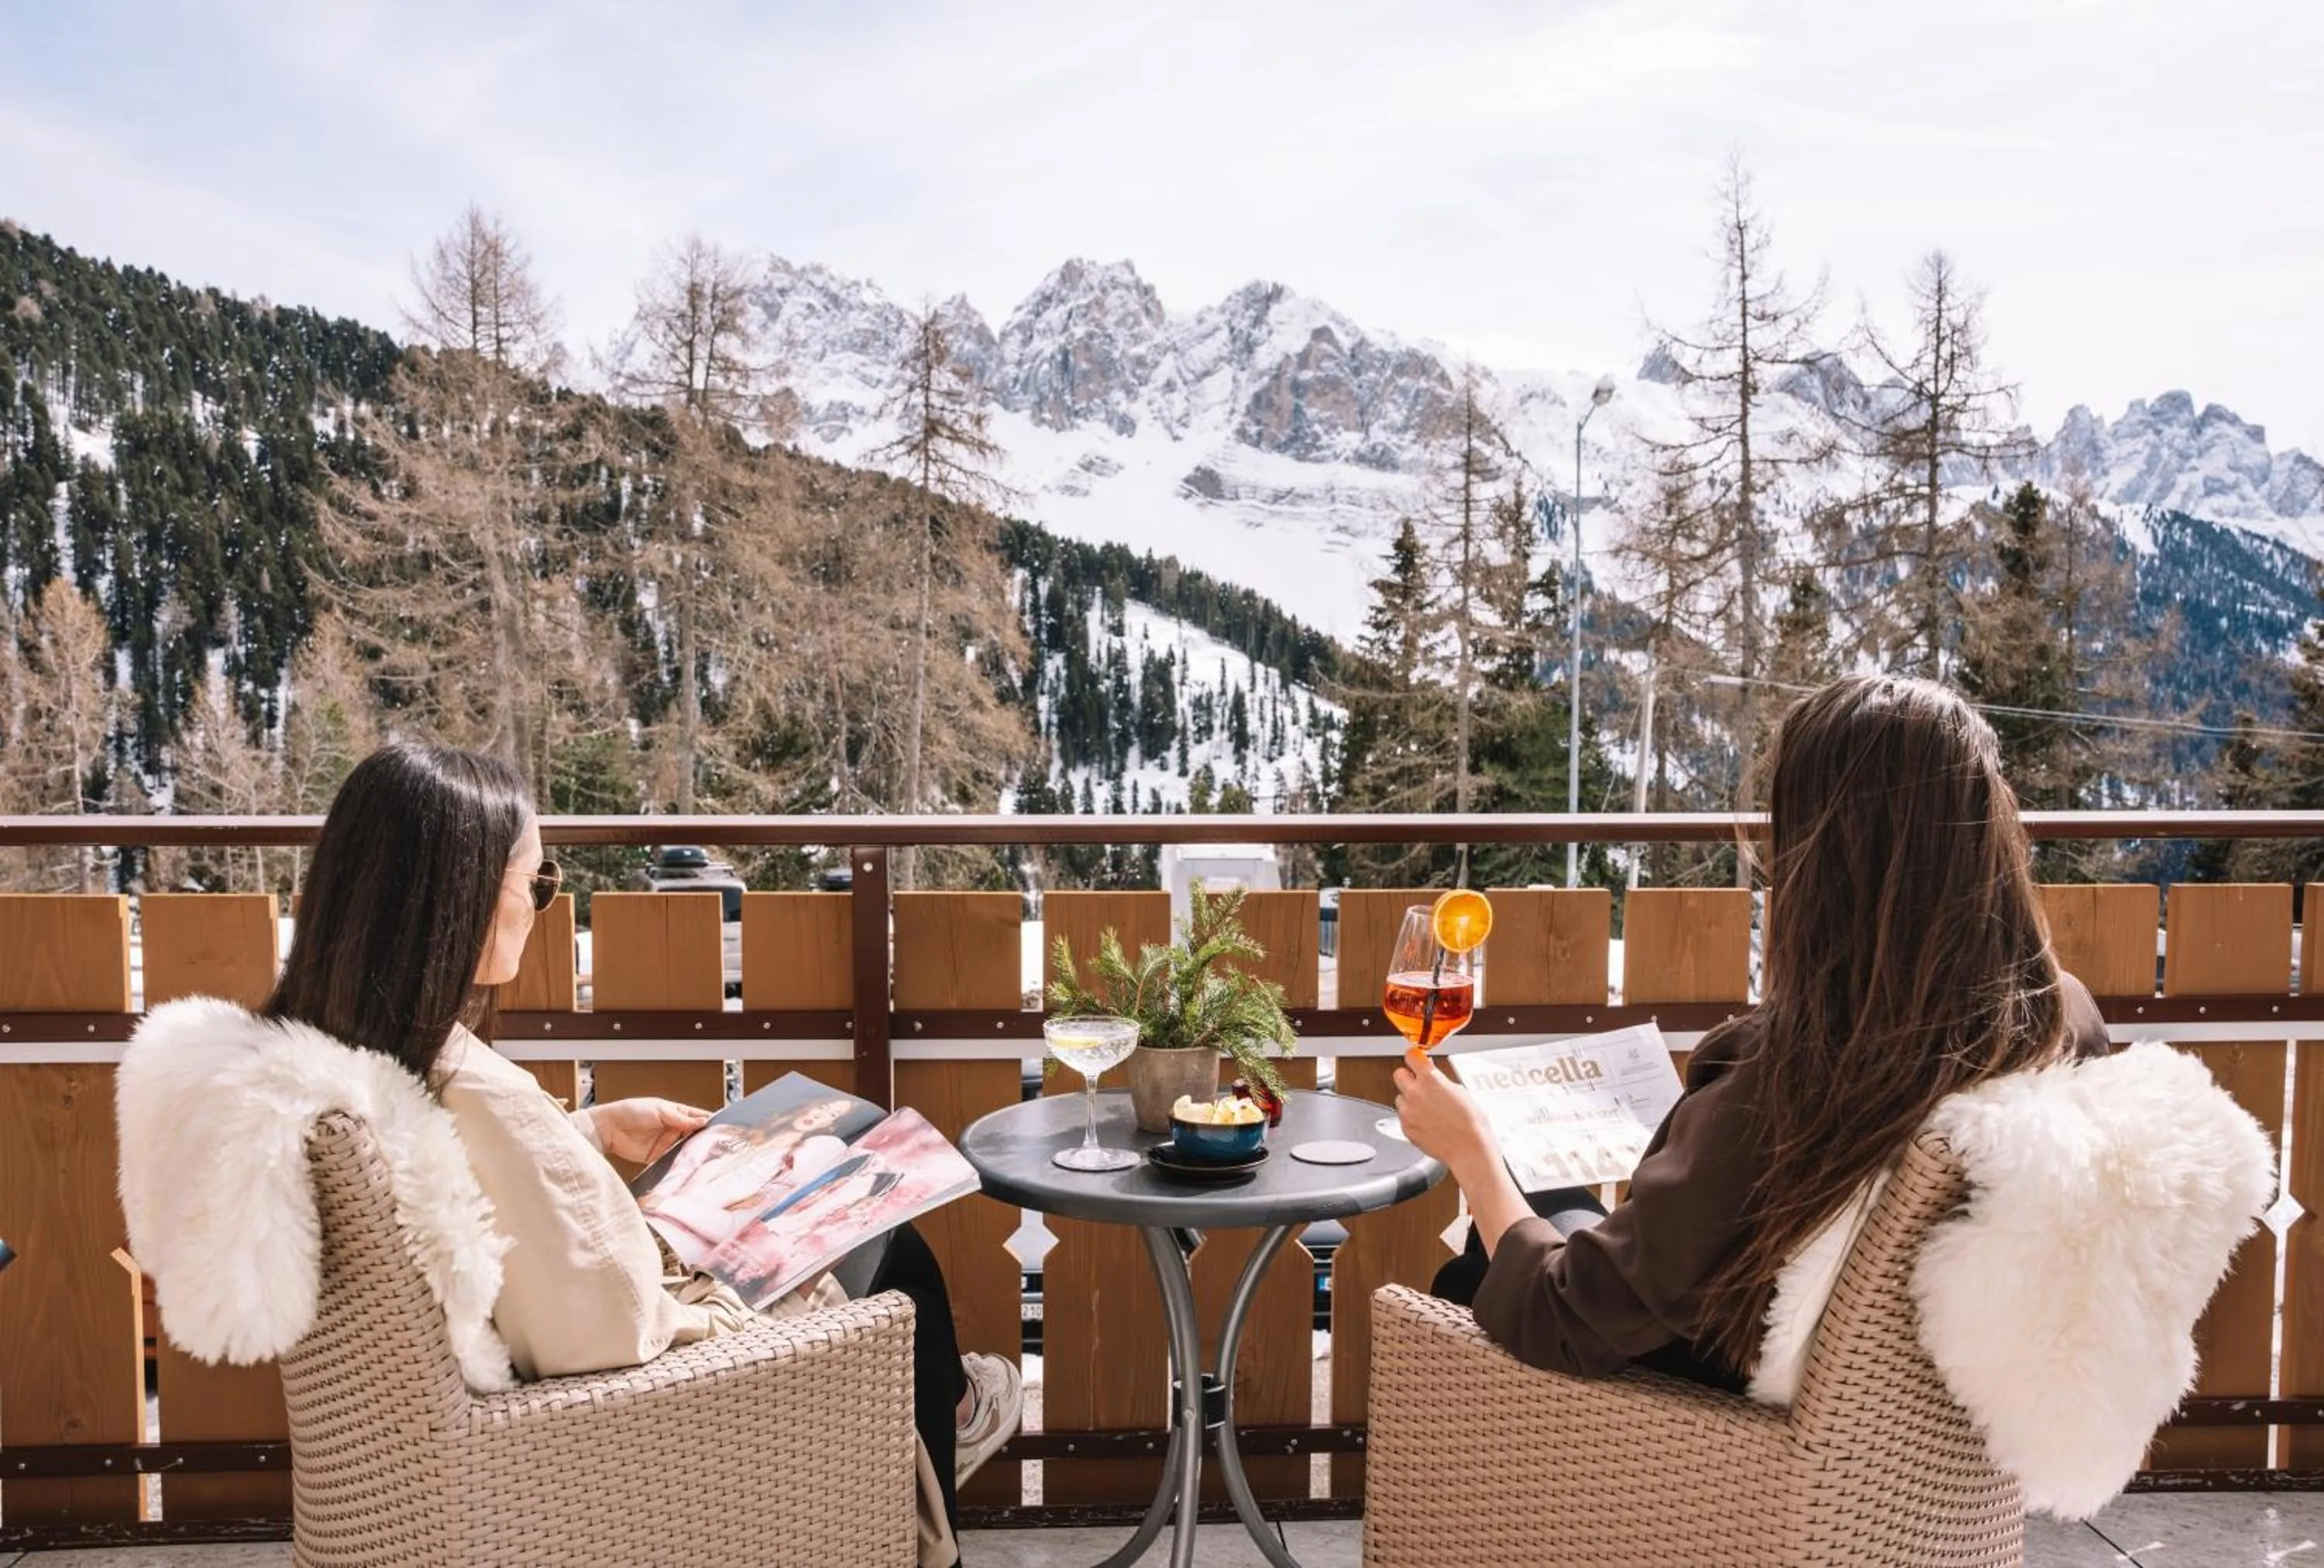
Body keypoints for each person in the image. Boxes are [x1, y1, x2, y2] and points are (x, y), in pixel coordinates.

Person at [262, 744, 1019, 1566]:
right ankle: (944, 1437)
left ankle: (948, 1416)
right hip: (616, 1424)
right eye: (538, 885)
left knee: (855, 1220)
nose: (541, 907)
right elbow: (609, 1334)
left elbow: (477, 1182)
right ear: (468, 898)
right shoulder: (475, 1083)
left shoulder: (325, 1057)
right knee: (892, 1249)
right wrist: (732, 1288)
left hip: (444, 1442)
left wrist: (585, 1134)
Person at [1394, 675, 2116, 1392]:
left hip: (1722, 1406)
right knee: (1560, 1205)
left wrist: (1472, 1152)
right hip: (1912, 1403)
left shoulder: (1799, 1073)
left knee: (1486, 1253)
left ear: (1827, 858)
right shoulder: (2059, 1018)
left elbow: (1567, 1316)